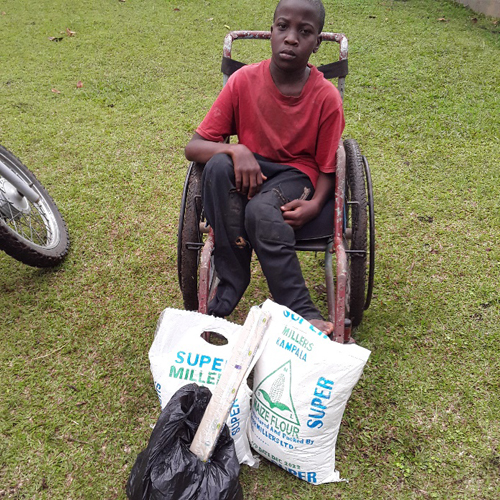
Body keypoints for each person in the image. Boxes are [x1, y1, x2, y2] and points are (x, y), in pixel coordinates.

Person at [184, 0, 344, 334]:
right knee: (217, 166)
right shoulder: (243, 81)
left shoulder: (326, 97)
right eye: (283, 27)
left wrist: (316, 204)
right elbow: (193, 147)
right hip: (252, 170)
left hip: (296, 175)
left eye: (304, 32)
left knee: (259, 212)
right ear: (271, 32)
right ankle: (233, 277)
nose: (291, 38)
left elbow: (330, 168)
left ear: (316, 43)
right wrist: (236, 149)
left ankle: (301, 309)